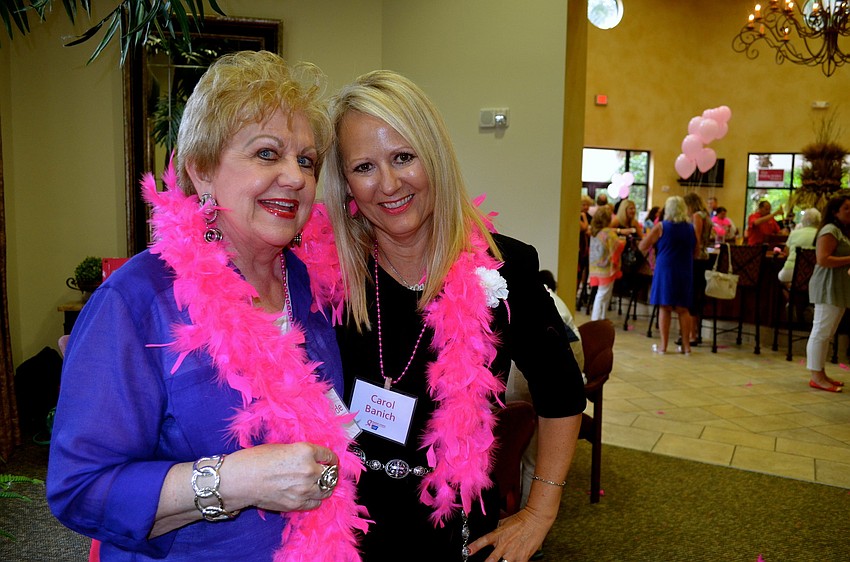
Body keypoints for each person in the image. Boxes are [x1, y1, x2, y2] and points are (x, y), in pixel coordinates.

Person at [46, 52, 366, 561]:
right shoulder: (137, 301)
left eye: (306, 161)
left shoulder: (314, 288)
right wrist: (233, 480)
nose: (294, 177)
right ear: (201, 171)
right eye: (267, 153)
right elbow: (79, 489)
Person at [323, 70, 585, 562]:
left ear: (434, 157)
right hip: (342, 531)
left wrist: (540, 511)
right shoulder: (326, 276)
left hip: (454, 534)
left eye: (404, 157)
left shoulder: (503, 268)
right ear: (346, 185)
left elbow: (563, 391)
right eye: (364, 167)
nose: (389, 184)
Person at [639, 196, 696, 354]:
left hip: (665, 268)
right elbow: (696, 250)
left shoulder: (661, 227)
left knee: (665, 306)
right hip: (685, 268)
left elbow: (643, 245)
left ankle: (663, 346)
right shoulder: (690, 228)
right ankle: (686, 347)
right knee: (683, 308)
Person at [805, 195, 850, 392]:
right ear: (835, 212)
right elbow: (823, 259)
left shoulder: (842, 231)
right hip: (827, 285)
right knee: (821, 332)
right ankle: (816, 376)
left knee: (827, 333)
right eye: (846, 208)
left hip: (838, 286)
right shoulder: (830, 230)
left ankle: (821, 373)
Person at [589, 206, 631, 320]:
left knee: (603, 293)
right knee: (603, 294)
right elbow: (616, 246)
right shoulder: (608, 233)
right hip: (606, 268)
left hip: (595, 266)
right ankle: (596, 319)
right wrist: (623, 242)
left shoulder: (595, 231)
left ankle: (601, 317)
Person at [683, 192, 714, 346]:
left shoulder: (696, 216)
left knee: (691, 296)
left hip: (696, 258)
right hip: (704, 258)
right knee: (696, 295)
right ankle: (693, 333)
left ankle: (692, 334)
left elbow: (696, 238)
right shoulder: (706, 216)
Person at [778, 208, 821, 284]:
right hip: (813, 274)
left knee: (782, 279)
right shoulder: (821, 235)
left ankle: (790, 291)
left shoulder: (794, 233)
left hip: (790, 271)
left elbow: (786, 251)